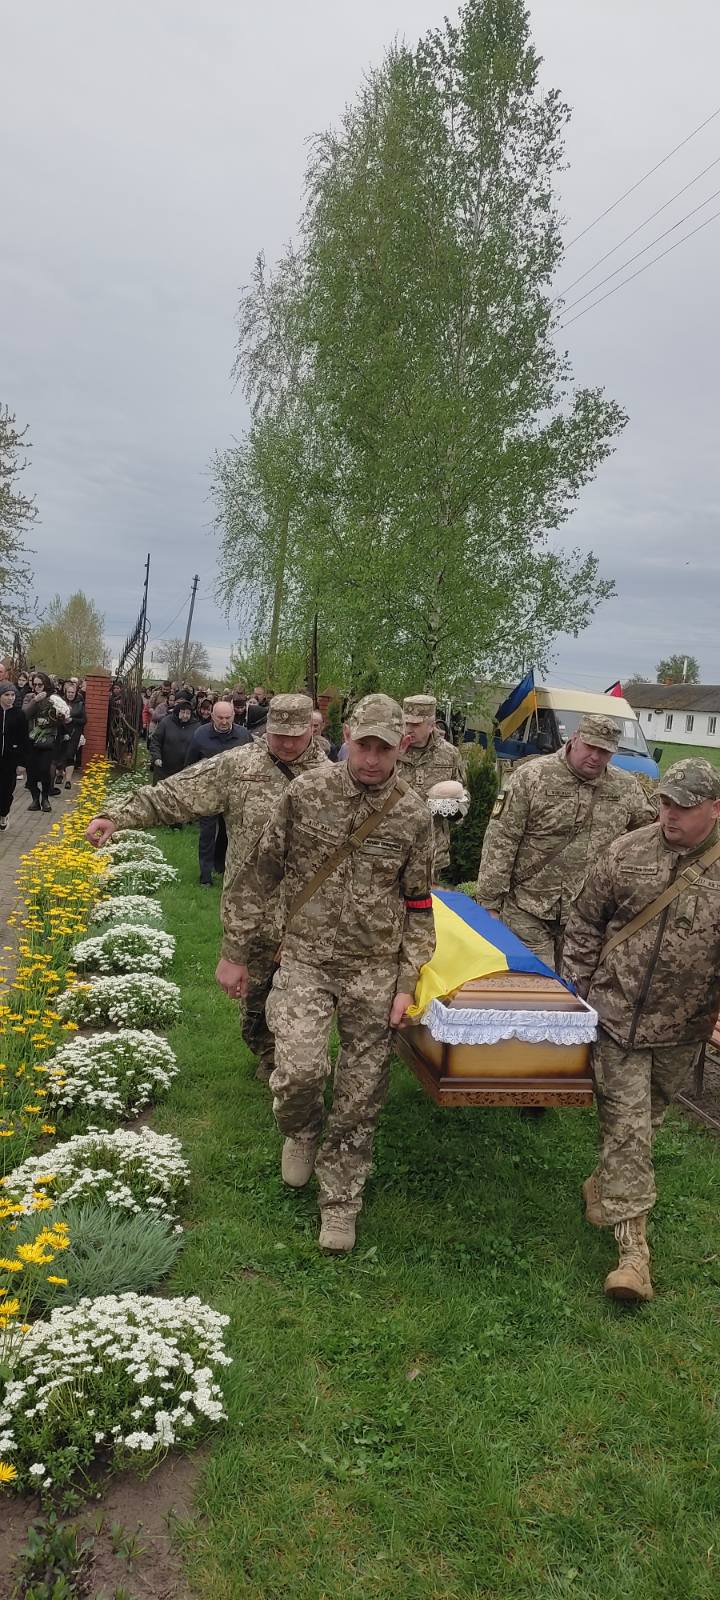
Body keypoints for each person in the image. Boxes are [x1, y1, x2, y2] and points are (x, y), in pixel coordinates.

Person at [216, 692, 436, 1254]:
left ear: (401, 746)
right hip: (306, 959)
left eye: (383, 749)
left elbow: (419, 905)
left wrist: (407, 981)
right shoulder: (306, 793)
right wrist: (235, 950)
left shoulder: (413, 814)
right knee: (298, 1071)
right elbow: (259, 874)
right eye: (363, 746)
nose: (371, 759)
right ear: (345, 739)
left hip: (374, 969)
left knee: (361, 1096)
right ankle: (301, 1129)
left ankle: (340, 1203)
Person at [85, 694, 327, 1081]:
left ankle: (295, 1073)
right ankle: (270, 1056)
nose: (284, 743)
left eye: (294, 736)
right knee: (255, 1008)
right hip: (253, 914)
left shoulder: (333, 780)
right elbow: (178, 793)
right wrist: (117, 816)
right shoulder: (240, 765)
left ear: (312, 731)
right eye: (277, 734)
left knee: (301, 1005)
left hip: (311, 920)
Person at [562, 758, 720, 1303]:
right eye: (665, 803)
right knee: (628, 1131)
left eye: (684, 807)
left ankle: (602, 1182)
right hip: (615, 1019)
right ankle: (633, 1259)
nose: (670, 815)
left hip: (682, 1030)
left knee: (642, 1125)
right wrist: (579, 993)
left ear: (715, 809)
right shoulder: (627, 852)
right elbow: (585, 920)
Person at [476, 714, 656, 970]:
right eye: (590, 747)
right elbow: (502, 839)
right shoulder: (532, 777)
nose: (595, 757)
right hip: (527, 909)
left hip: (586, 917)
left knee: (575, 988)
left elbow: (651, 836)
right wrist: (489, 904)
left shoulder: (625, 788)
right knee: (538, 983)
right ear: (574, 739)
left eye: (604, 752)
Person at [185, 700, 252, 885]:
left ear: (234, 716)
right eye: (220, 718)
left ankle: (221, 866)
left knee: (227, 832)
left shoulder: (243, 735)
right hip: (209, 793)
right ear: (212, 716)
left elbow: (252, 762)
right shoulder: (200, 734)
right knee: (207, 833)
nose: (224, 721)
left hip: (233, 794)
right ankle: (205, 875)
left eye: (228, 717)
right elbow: (190, 764)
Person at [399, 694, 464, 879]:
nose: (408, 729)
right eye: (406, 723)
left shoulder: (449, 755)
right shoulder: (392, 749)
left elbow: (463, 799)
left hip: (432, 852)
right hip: (393, 846)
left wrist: (451, 808)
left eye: (415, 724)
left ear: (431, 725)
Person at [23, 673, 69, 812]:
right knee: (31, 772)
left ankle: (45, 798)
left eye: (40, 684)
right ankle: (35, 799)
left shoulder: (53, 699)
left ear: (46, 685)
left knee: (45, 770)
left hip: (48, 740)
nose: (37, 687)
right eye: (35, 684)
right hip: (31, 740)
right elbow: (24, 714)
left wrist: (61, 717)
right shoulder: (30, 697)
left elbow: (61, 719)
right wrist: (35, 700)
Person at [148, 695, 198, 781]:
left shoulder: (196, 726)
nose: (185, 716)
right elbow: (155, 741)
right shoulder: (166, 722)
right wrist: (156, 757)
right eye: (182, 712)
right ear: (177, 712)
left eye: (188, 713)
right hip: (163, 768)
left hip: (184, 770)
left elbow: (197, 746)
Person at [0, 683, 28, 828]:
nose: (10, 698)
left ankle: (3, 814)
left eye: (13, 695)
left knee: (7, 790)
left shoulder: (19, 714)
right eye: (7, 695)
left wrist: (22, 763)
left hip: (11, 759)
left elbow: (24, 739)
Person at [54, 679, 86, 789]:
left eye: (72, 692)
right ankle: (59, 774)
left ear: (75, 693)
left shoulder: (80, 704)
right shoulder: (60, 702)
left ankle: (68, 780)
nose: (70, 694)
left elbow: (84, 720)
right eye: (68, 692)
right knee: (59, 754)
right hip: (61, 731)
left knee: (69, 755)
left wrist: (72, 720)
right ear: (65, 692)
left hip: (74, 733)